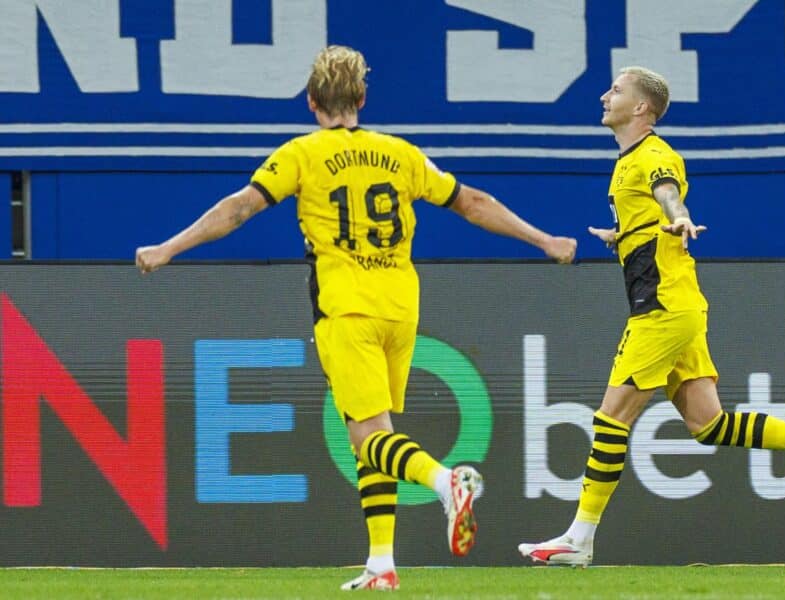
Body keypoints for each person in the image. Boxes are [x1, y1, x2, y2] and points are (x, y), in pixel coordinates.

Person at [135, 45, 577, 590]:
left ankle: (447, 482)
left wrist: (169, 248)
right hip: (400, 307)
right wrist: (542, 239)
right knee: (371, 434)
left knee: (370, 438)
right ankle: (381, 564)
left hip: (346, 307)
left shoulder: (302, 153)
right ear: (362, 99)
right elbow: (471, 201)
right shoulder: (401, 154)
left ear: (312, 101)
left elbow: (239, 208)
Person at [517, 66, 785, 568]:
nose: (603, 95)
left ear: (641, 108)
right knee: (708, 424)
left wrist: (677, 213)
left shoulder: (656, 154)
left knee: (610, 418)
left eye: (615, 90)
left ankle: (579, 538)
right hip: (679, 304)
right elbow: (650, 209)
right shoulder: (626, 161)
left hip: (661, 308)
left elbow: (667, 190)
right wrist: (626, 234)